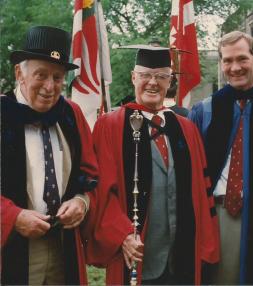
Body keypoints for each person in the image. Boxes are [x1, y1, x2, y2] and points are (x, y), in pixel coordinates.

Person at [84, 46, 219, 285]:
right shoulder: (110, 126)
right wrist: (121, 235)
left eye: (161, 76)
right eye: (145, 75)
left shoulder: (186, 129)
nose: (152, 83)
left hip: (182, 256)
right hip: (136, 255)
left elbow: (201, 191)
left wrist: (206, 245)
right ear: (133, 77)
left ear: (170, 81)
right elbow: (102, 191)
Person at [1, 26, 98, 285]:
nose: (49, 86)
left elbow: (89, 174)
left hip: (62, 247)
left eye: (57, 77)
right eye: (40, 75)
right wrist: (13, 217)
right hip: (9, 248)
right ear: (19, 73)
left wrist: (81, 201)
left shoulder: (70, 114)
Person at [189, 31, 253, 285]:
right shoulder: (204, 111)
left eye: (242, 59)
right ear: (221, 63)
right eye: (227, 60)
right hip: (218, 215)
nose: (235, 68)